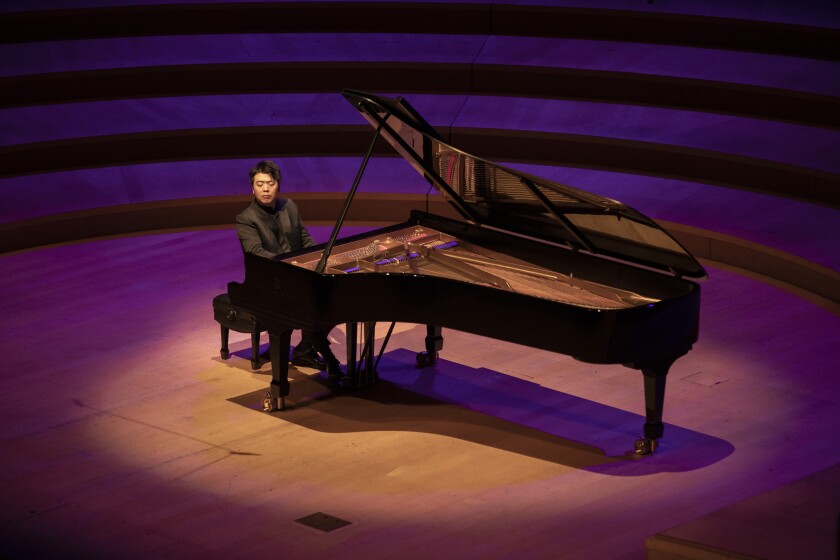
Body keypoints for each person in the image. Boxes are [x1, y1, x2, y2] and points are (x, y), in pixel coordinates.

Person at [235, 160, 342, 381]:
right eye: (260, 184)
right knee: (310, 308)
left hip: (297, 274)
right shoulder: (246, 219)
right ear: (252, 188)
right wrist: (292, 266)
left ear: (278, 185)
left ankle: (305, 348)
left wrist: (317, 259)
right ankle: (330, 360)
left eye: (270, 183)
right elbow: (257, 253)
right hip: (267, 281)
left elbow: (304, 238)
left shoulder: (289, 206)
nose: (265, 189)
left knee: (335, 303)